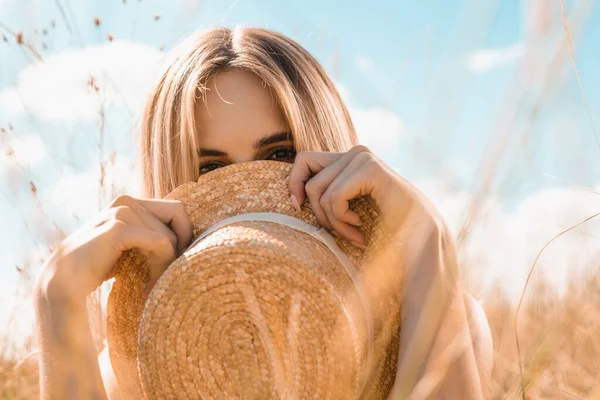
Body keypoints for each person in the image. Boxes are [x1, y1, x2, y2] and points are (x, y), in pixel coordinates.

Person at [33, 26, 493, 399]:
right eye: (209, 169)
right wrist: (56, 299)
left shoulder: (441, 320)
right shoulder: (135, 370)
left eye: (279, 157)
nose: (246, 199)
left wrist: (424, 239)